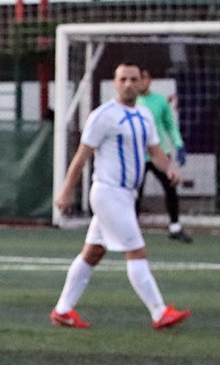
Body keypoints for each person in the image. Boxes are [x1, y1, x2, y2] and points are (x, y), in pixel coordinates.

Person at [52, 62, 191, 331]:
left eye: (133, 79)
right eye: (123, 79)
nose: (128, 84)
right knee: (136, 250)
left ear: (142, 82)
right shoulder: (103, 116)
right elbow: (81, 156)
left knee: (93, 252)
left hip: (126, 195)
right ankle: (159, 312)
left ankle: (63, 310)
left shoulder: (145, 116)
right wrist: (67, 190)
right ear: (115, 83)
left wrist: (170, 169)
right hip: (108, 192)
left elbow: (155, 152)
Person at [136, 67, 192, 243]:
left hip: (159, 154)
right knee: (135, 193)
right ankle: (132, 230)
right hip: (137, 155)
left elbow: (170, 125)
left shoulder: (160, 101)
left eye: (144, 78)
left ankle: (175, 227)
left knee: (170, 187)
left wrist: (178, 144)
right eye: (138, 78)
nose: (141, 82)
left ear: (149, 80)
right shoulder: (130, 102)